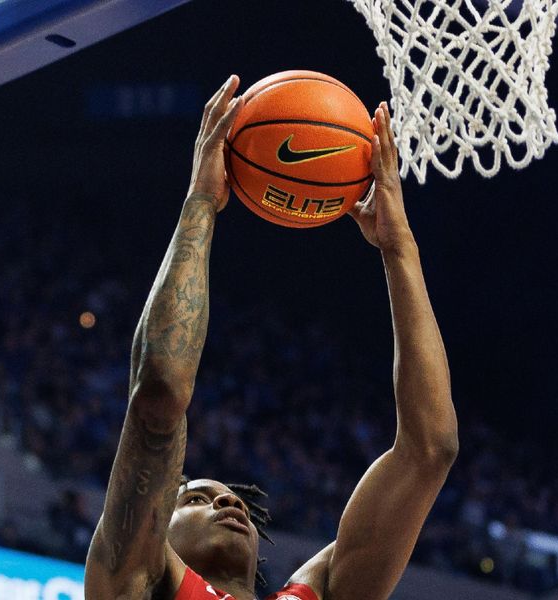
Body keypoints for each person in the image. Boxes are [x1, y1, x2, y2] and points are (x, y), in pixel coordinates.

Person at [84, 75, 458, 600]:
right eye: (194, 499)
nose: (229, 503)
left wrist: (400, 250)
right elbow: (159, 393)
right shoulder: (134, 582)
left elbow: (430, 449)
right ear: (152, 534)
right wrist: (200, 204)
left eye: (224, 498)